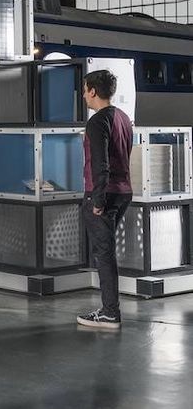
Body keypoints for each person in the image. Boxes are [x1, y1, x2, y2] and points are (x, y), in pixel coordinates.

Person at [77, 70, 132, 330]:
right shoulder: (123, 117)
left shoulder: (97, 122)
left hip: (102, 194)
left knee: (104, 253)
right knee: (106, 251)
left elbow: (100, 163)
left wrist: (97, 199)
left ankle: (110, 312)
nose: (83, 95)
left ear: (93, 91)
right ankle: (109, 309)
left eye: (84, 90)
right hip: (123, 191)